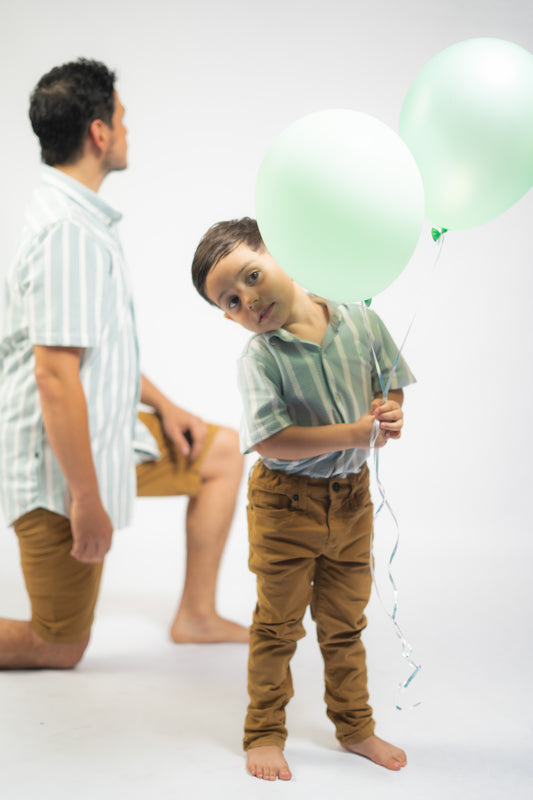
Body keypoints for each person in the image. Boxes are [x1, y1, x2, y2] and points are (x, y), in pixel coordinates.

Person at [0, 59, 248, 672]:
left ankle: (195, 615)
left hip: (108, 438)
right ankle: (84, 509)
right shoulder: (68, 233)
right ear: (99, 133)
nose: (127, 130)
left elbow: (95, 348)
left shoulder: (83, 220)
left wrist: (164, 406)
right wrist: (86, 499)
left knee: (219, 453)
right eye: (122, 117)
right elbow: (54, 377)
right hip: (59, 466)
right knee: (58, 645)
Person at [191, 217, 415, 781]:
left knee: (345, 622)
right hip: (284, 505)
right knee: (278, 623)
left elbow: (388, 383)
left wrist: (387, 411)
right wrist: (352, 433)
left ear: (281, 253)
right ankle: (264, 731)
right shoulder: (260, 358)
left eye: (252, 275)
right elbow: (271, 439)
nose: (249, 301)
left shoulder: (361, 320)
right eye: (232, 301)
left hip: (351, 501)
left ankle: (355, 725)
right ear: (226, 317)